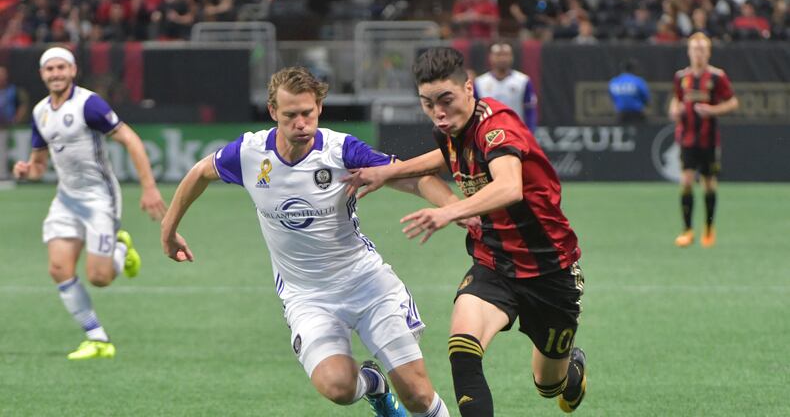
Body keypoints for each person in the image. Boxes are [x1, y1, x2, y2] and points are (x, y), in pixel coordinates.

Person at [160, 67, 452, 417]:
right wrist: (168, 228)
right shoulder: (251, 153)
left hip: (367, 284)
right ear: (273, 113)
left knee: (418, 396)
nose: (301, 123)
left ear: (320, 108)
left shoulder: (341, 150)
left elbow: (410, 177)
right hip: (307, 297)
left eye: (307, 113)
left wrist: (456, 207)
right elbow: (199, 172)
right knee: (338, 388)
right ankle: (373, 385)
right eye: (290, 115)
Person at [343, 47, 587, 416]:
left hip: (550, 268)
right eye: (427, 104)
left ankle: (571, 372)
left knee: (548, 385)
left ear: (469, 89)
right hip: (494, 260)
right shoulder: (452, 127)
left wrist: (448, 211)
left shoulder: (496, 127)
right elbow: (444, 156)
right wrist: (389, 171)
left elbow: (509, 187)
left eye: (446, 100)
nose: (439, 113)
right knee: (463, 348)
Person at [12, 47, 167, 360]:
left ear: (73, 71)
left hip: (99, 198)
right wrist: (29, 170)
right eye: (49, 69)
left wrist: (148, 187)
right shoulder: (41, 112)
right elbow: (40, 163)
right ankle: (98, 339)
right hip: (66, 198)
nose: (55, 74)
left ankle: (121, 249)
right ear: (42, 75)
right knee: (58, 268)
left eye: (61, 68)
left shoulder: (89, 104)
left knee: (99, 277)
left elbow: (130, 139)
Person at [668, 33, 739, 248]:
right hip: (687, 138)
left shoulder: (717, 77)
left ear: (708, 52)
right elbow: (676, 99)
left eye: (702, 49)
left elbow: (733, 102)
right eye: (694, 49)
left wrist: (713, 110)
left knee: (708, 183)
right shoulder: (681, 77)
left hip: (708, 140)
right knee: (687, 181)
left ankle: (709, 227)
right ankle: (687, 229)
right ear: (689, 52)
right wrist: (674, 110)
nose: (698, 53)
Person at [473, 42, 537, 132]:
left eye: (506, 55)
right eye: (498, 55)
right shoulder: (479, 83)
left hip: (516, 132)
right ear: (490, 57)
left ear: (512, 57)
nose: (502, 58)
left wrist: (530, 133)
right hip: (488, 133)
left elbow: (530, 110)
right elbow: (473, 112)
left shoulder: (523, 81)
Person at [0, 65, 29, 180]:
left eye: (2, 74)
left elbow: (22, 104)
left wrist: (17, 118)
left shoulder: (12, 90)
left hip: (6, 126)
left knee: (4, 151)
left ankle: (4, 174)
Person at [608, 59, 650, 124]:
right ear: (633, 69)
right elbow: (646, 98)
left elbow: (612, 97)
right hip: (637, 114)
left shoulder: (614, 81)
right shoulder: (638, 81)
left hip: (621, 115)